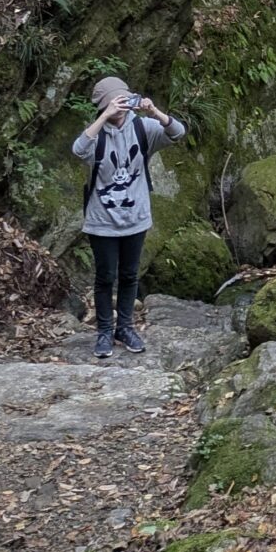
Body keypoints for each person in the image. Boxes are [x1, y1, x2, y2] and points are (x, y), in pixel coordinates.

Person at [71, 74, 185, 359]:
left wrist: (155, 112)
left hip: (136, 216)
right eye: (116, 101)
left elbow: (178, 133)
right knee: (105, 277)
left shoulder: (143, 128)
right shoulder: (95, 136)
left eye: (125, 99)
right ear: (104, 105)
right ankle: (104, 332)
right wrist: (103, 117)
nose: (122, 106)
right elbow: (78, 149)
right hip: (102, 220)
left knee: (130, 274)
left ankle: (125, 327)